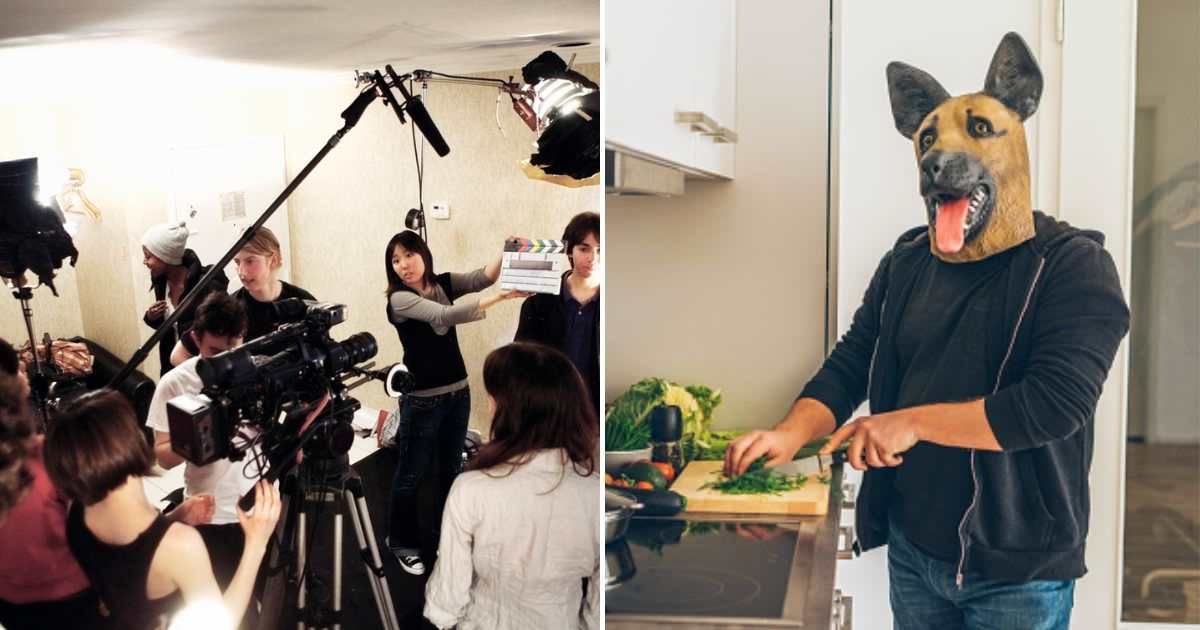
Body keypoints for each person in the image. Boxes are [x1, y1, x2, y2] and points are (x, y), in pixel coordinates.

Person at [724, 34, 1129, 630]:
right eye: (929, 139)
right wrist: (790, 434)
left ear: (1018, 132)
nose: (940, 154)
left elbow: (1051, 407)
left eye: (980, 130)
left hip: (1019, 574)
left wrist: (909, 423)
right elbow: (851, 364)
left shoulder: (1072, 266)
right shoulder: (908, 261)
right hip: (914, 553)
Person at [44, 390, 282, 630]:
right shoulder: (181, 546)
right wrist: (256, 543)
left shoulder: (77, 512)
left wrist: (176, 516)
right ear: (131, 443)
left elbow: (130, 559)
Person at [423, 342, 599, 630]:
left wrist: (443, 617)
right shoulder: (593, 495)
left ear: (506, 408)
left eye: (492, 397)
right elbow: (600, 598)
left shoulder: (471, 489)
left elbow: (448, 596)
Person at [382, 230, 526, 575]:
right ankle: (400, 540)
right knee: (410, 475)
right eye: (395, 260)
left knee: (451, 471)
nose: (403, 265)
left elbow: (482, 277)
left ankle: (447, 537)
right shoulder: (399, 301)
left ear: (423, 254)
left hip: (458, 393)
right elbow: (444, 316)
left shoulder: (442, 282)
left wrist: (506, 251)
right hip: (422, 401)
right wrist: (503, 298)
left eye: (409, 255)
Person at [147, 292, 260, 588]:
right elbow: (161, 455)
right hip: (210, 512)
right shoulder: (174, 384)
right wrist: (199, 432)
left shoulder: (257, 370)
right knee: (222, 602)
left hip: (258, 508)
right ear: (196, 339)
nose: (225, 362)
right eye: (214, 351)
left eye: (233, 349)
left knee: (263, 593)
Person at [171, 226, 313, 365]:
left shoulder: (303, 302)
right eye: (237, 262)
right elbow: (178, 355)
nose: (241, 272)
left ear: (273, 260)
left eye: (250, 261)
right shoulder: (228, 310)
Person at [515, 211, 601, 411]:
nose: (593, 258)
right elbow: (521, 359)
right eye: (584, 249)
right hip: (549, 410)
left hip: (596, 413)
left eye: (601, 249)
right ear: (569, 250)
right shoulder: (539, 303)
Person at [140, 221, 229, 376]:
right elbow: (173, 325)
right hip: (171, 366)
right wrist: (152, 318)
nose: (144, 262)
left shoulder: (207, 283)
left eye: (148, 256)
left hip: (200, 370)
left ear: (166, 257)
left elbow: (221, 329)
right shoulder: (161, 282)